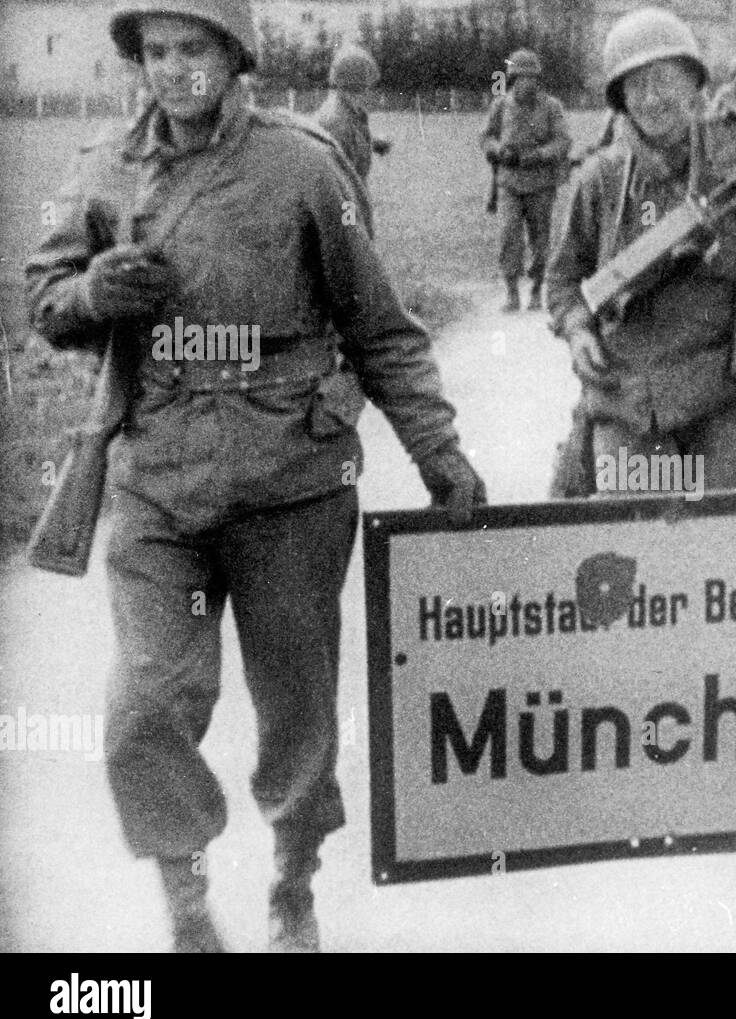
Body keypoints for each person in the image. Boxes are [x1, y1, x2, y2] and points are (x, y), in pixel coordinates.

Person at [24, 0, 486, 953]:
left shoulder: (307, 164)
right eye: (156, 51)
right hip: (159, 479)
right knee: (146, 703)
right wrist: (89, 293)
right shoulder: (101, 166)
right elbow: (47, 297)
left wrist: (441, 455)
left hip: (291, 482)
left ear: (235, 58)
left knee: (297, 708)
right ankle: (187, 903)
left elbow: (380, 328)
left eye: (194, 48)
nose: (173, 69)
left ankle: (293, 884)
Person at [547, 7, 736, 499]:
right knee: (638, 548)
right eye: (635, 85)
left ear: (694, 83)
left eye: (664, 79)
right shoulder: (598, 179)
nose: (651, 98)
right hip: (627, 403)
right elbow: (562, 284)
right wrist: (578, 330)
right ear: (618, 98)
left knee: (728, 551)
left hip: (724, 396)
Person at [480, 48, 572, 312]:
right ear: (513, 79)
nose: (527, 83)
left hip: (541, 183)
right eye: (521, 78)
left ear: (538, 79)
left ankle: (535, 290)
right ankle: (511, 292)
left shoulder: (552, 107)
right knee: (509, 235)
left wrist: (539, 155)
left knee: (540, 239)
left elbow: (563, 141)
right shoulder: (500, 106)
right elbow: (485, 137)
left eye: (531, 77)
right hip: (508, 182)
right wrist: (499, 151)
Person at [313, 43, 392, 184]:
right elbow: (341, 185)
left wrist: (372, 143)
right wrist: (353, 207)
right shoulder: (337, 121)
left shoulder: (345, 108)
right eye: (369, 84)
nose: (372, 90)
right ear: (360, 83)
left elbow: (351, 139)